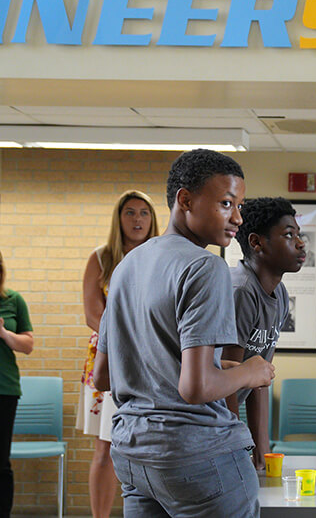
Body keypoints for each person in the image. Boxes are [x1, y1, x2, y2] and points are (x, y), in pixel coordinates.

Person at [93, 149, 275, 518]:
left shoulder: (129, 264)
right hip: (197, 458)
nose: (237, 217)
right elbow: (195, 389)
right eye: (226, 203)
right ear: (185, 200)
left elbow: (104, 375)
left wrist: (212, 365)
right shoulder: (205, 267)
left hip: (134, 456)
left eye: (239, 205)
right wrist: (249, 371)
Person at [78, 190, 158, 518]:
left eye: (144, 213)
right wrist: (127, 339)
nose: (137, 219)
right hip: (109, 359)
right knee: (106, 447)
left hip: (154, 359)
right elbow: (92, 313)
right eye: (130, 212)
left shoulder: (160, 255)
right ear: (119, 217)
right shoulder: (102, 257)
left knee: (148, 446)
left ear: (153, 220)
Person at [223, 197, 305, 470]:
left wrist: (262, 454)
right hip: (208, 424)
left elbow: (260, 379)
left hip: (227, 420)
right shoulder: (241, 292)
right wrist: (237, 447)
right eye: (289, 235)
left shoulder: (279, 294)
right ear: (257, 243)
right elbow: (228, 377)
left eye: (299, 234)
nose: (301, 243)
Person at [0, 251, 34, 518]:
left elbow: (28, 345)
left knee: (0, 463)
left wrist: (3, 333)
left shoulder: (13, 300)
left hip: (5, 390)